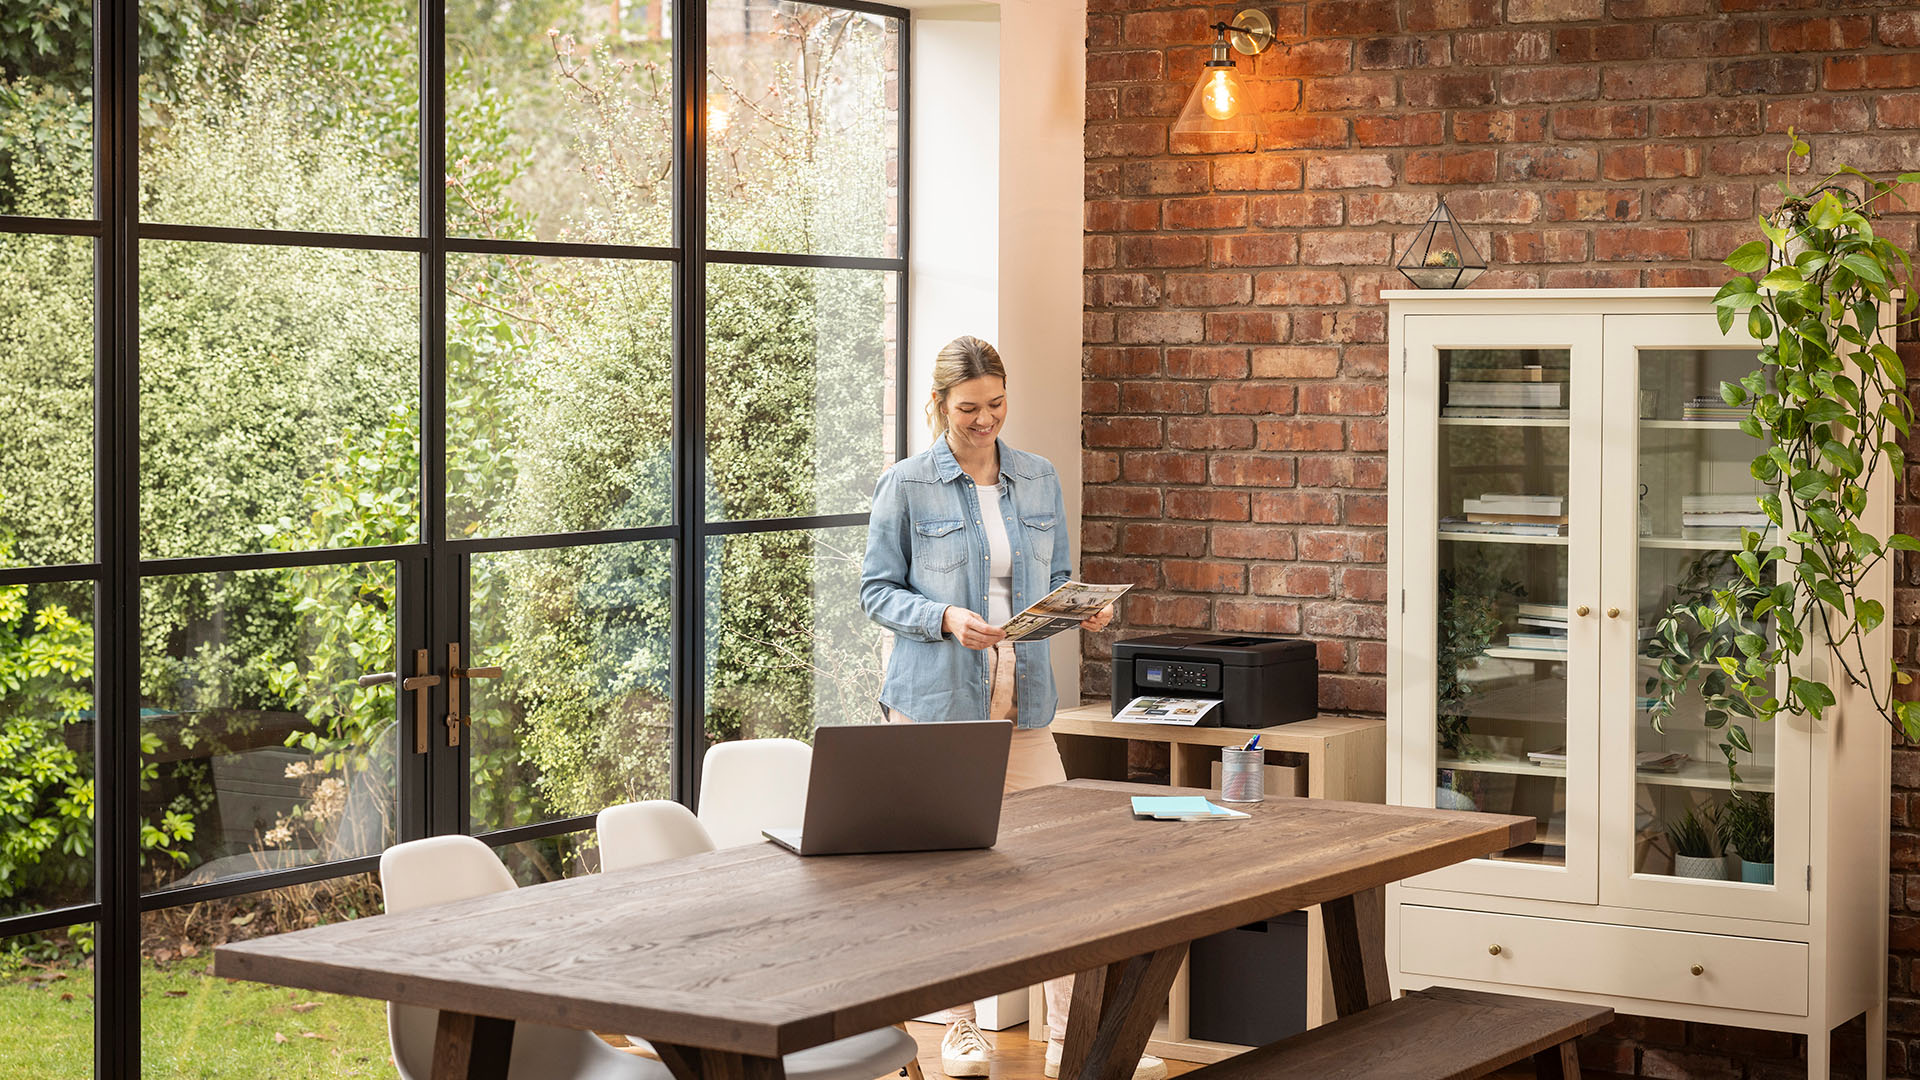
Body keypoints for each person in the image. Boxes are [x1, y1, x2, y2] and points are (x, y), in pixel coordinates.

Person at [860, 336, 1162, 1080]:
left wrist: (1076, 611)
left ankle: (1075, 1036)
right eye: (969, 409)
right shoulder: (906, 485)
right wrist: (944, 619)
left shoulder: (1037, 478)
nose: (985, 420)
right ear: (938, 407)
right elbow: (876, 591)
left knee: (1057, 870)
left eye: (996, 405)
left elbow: (1054, 576)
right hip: (935, 703)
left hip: (1022, 698)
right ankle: (960, 1030)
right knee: (948, 876)